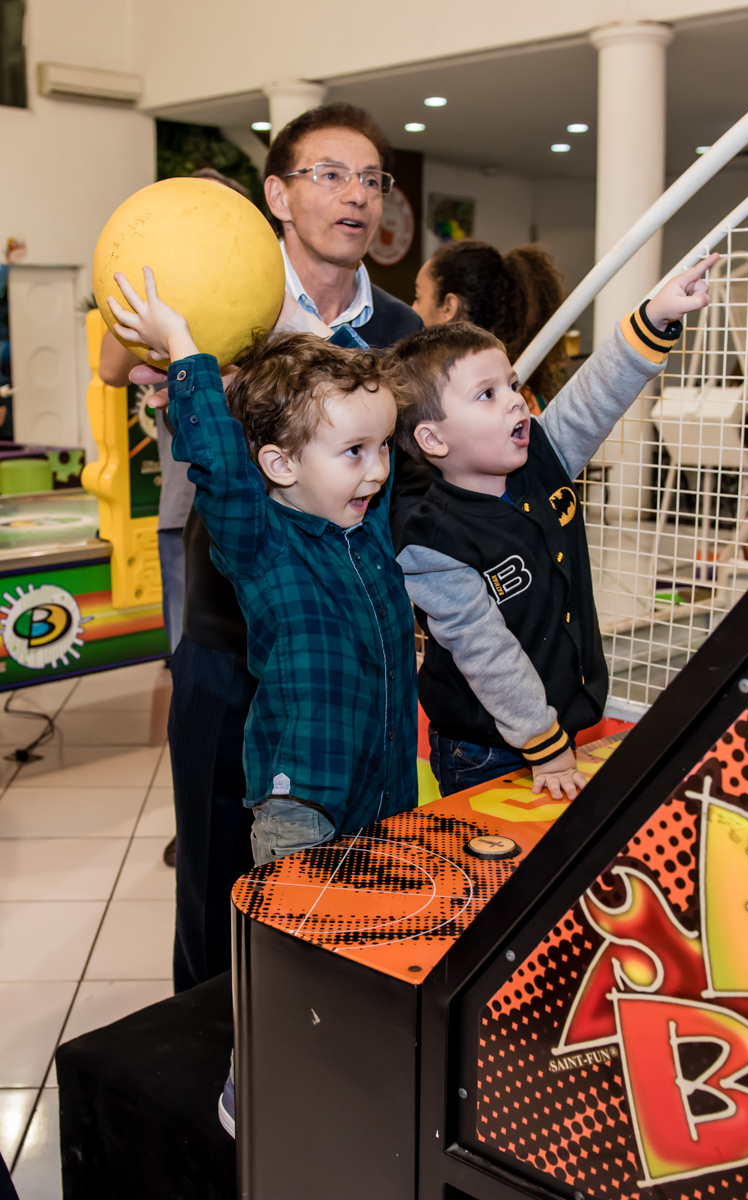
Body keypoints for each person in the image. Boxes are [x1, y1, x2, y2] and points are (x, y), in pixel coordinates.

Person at [107, 264, 418, 1137]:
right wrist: (182, 348)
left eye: (382, 449)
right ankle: (256, 1085)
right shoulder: (264, 540)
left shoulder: (368, 532)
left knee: (364, 944)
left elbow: (365, 427)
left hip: (384, 785)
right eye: (353, 454)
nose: (375, 471)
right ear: (279, 465)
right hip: (301, 799)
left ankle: (348, 1062)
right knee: (288, 955)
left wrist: (347, 393)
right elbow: (216, 455)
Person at [162, 102, 421, 993]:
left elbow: (413, 487)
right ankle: (215, 1057)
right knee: (213, 876)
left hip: (346, 653)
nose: (356, 197)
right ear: (276, 192)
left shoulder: (398, 333)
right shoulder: (224, 304)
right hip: (232, 633)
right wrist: (189, 368)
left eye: (371, 179)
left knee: (360, 873)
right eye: (330, 174)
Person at [390, 256, 719, 801]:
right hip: (484, 749)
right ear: (434, 440)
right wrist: (543, 742)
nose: (516, 399)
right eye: (486, 394)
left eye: (511, 384)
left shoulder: (544, 455)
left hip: (561, 731)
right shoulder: (432, 544)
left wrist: (655, 317)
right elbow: (487, 655)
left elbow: (595, 395)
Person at [98, 168, 254, 872]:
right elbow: (111, 364)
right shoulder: (150, 285)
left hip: (255, 505)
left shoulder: (257, 283)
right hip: (184, 507)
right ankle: (188, 810)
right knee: (189, 664)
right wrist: (168, 320)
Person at [412, 239, 567, 412]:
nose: (412, 308)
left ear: (449, 307)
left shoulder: (466, 404)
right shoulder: (522, 395)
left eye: (418, 297)